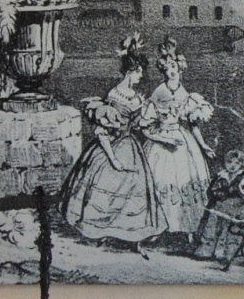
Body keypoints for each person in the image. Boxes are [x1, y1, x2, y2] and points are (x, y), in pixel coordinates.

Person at [60, 35, 158, 247]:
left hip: (130, 147)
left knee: (133, 188)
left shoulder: (136, 97)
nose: (141, 76)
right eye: (139, 72)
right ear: (130, 72)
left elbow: (137, 125)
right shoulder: (115, 95)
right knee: (105, 187)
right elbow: (103, 132)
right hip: (109, 148)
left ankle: (128, 235)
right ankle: (100, 232)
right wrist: (113, 159)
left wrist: (149, 117)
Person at [142, 37, 214, 244]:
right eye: (166, 68)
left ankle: (188, 227)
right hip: (161, 141)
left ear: (180, 67)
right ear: (162, 71)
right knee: (161, 181)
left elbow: (192, 124)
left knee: (185, 181)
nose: (171, 71)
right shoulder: (159, 92)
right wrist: (161, 139)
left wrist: (203, 145)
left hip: (183, 142)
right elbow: (145, 126)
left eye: (173, 67)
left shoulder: (185, 93)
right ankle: (158, 228)